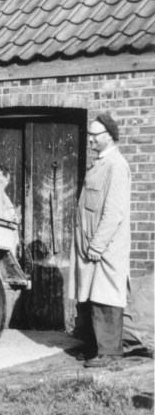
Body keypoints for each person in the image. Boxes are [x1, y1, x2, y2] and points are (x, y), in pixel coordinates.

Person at [70, 113, 131, 368]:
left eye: (96, 135)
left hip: (104, 247)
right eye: (90, 134)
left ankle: (109, 354)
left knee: (105, 296)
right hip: (90, 246)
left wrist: (97, 244)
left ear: (110, 136)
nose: (91, 139)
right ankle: (95, 347)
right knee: (90, 296)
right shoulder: (100, 163)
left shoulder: (116, 165)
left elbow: (114, 211)